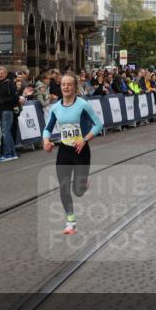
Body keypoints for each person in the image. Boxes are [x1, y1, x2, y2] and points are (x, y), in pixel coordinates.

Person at [42, 73, 104, 235]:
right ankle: (70, 222)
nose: (66, 87)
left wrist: (84, 139)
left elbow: (98, 125)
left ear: (75, 87)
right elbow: (48, 128)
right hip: (64, 150)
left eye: (69, 84)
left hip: (81, 150)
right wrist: (46, 141)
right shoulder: (56, 107)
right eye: (63, 84)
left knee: (78, 191)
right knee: (63, 188)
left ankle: (83, 183)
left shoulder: (83, 105)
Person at [0, 66, 21, 162]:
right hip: (2, 111)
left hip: (7, 110)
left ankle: (7, 154)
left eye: (2, 73)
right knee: (7, 132)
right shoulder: (0, 84)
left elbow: (15, 97)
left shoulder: (9, 83)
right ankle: (12, 153)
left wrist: (1, 101)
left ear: (6, 74)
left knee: (5, 133)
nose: (0, 75)